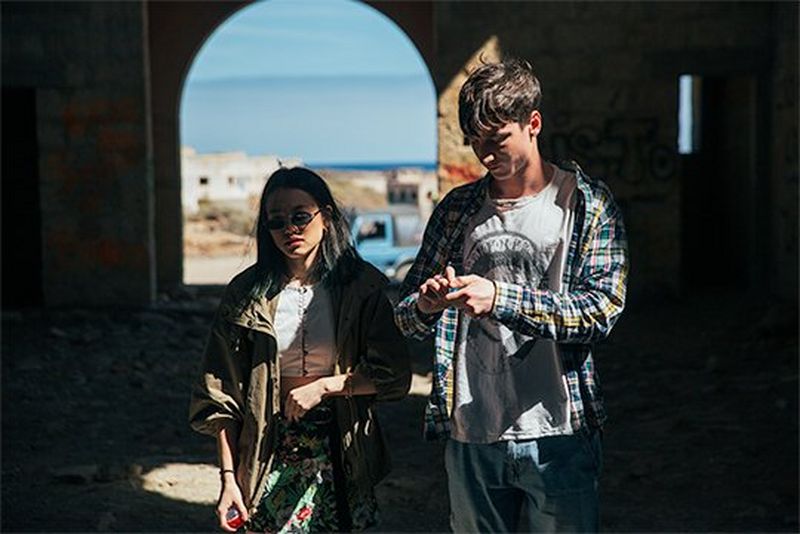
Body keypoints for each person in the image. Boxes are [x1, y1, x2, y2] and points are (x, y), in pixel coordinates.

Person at [394, 58, 629, 533]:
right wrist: (427, 303)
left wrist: (501, 298)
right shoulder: (457, 210)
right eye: (475, 141)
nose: (484, 154)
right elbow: (404, 317)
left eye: (496, 138)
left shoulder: (584, 204)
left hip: (559, 434)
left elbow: (601, 310)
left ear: (533, 124)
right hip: (471, 432)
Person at [189, 167, 411, 532]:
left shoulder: (361, 288)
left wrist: (326, 386)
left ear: (326, 217)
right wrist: (229, 479)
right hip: (267, 452)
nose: (290, 229)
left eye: (301, 216)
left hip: (342, 451)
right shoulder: (246, 296)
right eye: (276, 221)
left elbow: (395, 377)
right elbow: (221, 399)